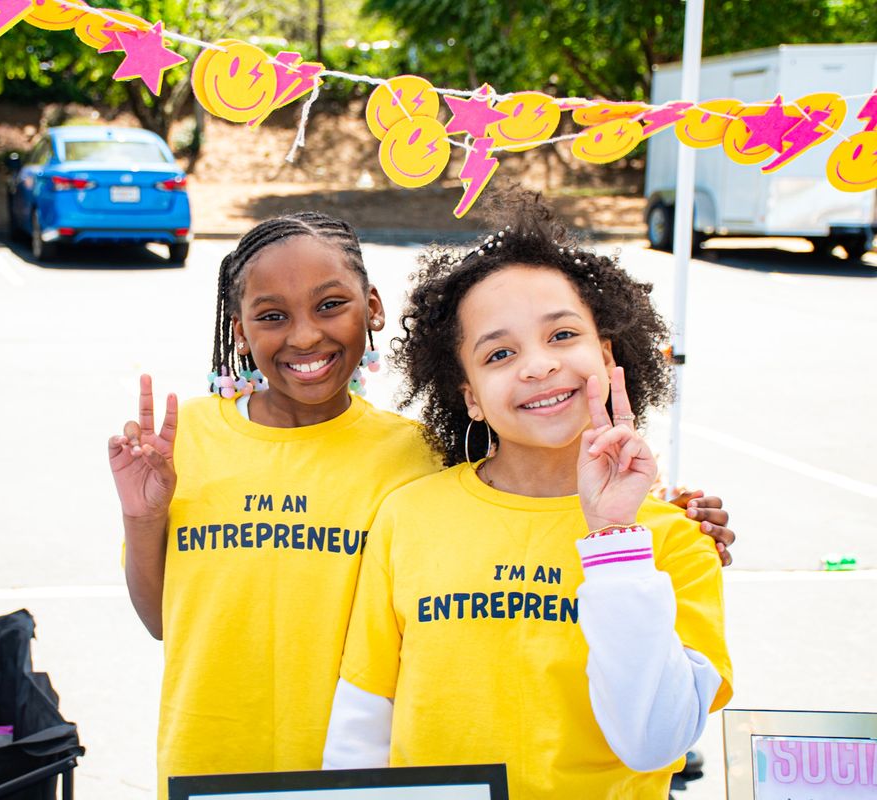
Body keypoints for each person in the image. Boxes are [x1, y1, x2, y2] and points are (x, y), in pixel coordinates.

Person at [107, 211, 734, 793]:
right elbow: (169, 619)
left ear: (371, 309)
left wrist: (649, 522)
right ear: (238, 330)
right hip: (210, 764)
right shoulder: (184, 443)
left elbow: (533, 493)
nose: (304, 334)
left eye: (330, 305)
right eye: (272, 316)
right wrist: (143, 518)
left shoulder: (420, 456)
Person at [322, 192, 733, 798]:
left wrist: (615, 537)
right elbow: (363, 720)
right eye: (500, 353)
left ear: (608, 355)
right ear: (469, 395)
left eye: (562, 334)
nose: (538, 366)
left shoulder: (673, 541)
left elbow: (654, 740)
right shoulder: (409, 517)